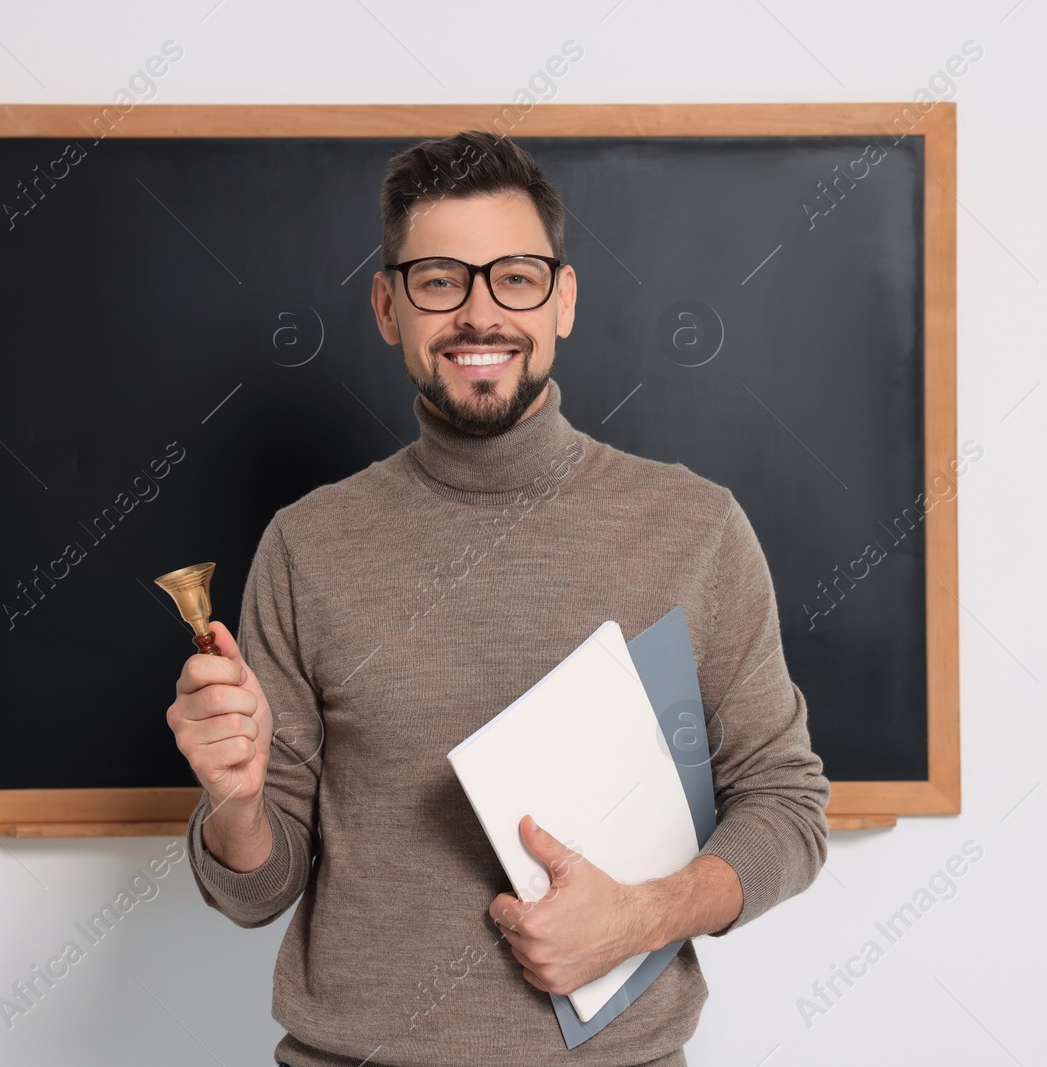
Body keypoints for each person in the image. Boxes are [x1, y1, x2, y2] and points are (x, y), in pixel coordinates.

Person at [166, 130, 829, 1067]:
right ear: (388, 304)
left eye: (514, 277)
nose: (479, 314)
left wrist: (641, 915)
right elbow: (255, 889)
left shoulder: (696, 528)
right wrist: (232, 803)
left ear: (562, 297)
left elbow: (788, 809)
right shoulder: (306, 545)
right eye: (440, 279)